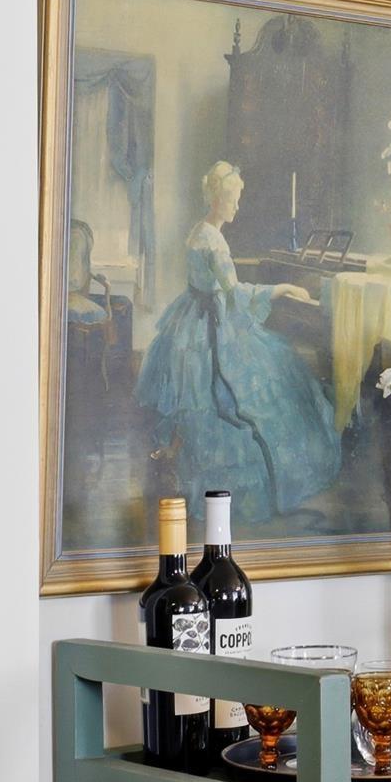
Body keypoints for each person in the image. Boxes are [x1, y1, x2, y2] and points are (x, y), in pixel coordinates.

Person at [136, 162, 339, 518]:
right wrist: (282, 288)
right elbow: (234, 294)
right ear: (219, 199)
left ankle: (174, 464)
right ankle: (188, 472)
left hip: (193, 318)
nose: (237, 207)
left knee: (197, 402)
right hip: (213, 327)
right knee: (270, 373)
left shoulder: (198, 231)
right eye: (234, 199)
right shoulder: (215, 241)